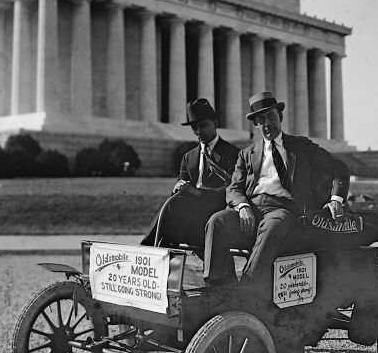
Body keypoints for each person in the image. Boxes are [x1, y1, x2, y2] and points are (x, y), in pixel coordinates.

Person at [203, 91, 350, 288]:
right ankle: (219, 285)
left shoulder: (301, 146)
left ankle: (247, 288)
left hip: (284, 210)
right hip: (252, 208)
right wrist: (243, 206)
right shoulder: (247, 154)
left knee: (272, 226)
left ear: (280, 117)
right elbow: (233, 188)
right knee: (217, 221)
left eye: (271, 117)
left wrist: (336, 200)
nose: (266, 124)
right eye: (261, 119)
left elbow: (339, 167)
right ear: (255, 124)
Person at [141, 98, 240, 249]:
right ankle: (151, 257)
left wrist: (198, 193)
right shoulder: (189, 157)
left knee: (172, 211)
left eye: (203, 126)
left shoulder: (232, 154)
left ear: (215, 123)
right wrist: (179, 186)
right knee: (173, 206)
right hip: (190, 214)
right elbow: (181, 186)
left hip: (216, 212)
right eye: (194, 127)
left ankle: (146, 251)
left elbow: (231, 191)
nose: (199, 132)